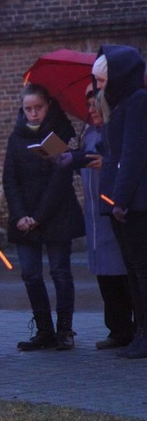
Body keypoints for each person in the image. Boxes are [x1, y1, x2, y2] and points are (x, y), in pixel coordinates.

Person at [2, 84, 84, 351]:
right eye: (28, 109)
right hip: (24, 217)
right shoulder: (17, 137)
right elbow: (10, 179)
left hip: (56, 214)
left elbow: (60, 179)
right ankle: (44, 330)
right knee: (31, 274)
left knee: (60, 272)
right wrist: (20, 215)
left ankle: (64, 330)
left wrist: (38, 216)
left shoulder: (60, 133)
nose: (33, 114)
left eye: (38, 108)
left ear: (48, 106)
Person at [63, 85, 134, 349]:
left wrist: (107, 162)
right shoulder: (88, 133)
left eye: (96, 105)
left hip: (113, 209)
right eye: (88, 105)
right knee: (104, 274)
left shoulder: (117, 129)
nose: (91, 110)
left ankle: (134, 327)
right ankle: (117, 328)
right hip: (93, 212)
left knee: (123, 272)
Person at [92, 45, 147, 358]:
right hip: (122, 202)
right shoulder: (120, 106)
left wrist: (121, 201)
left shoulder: (138, 102)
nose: (100, 88)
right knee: (134, 269)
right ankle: (140, 331)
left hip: (135, 203)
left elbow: (133, 155)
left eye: (103, 81)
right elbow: (111, 151)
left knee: (142, 269)